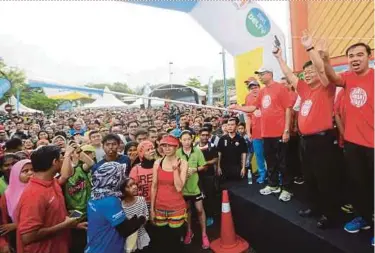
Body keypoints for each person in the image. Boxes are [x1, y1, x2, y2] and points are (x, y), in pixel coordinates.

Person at [321, 41, 374, 243]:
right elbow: (333, 78)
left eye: (359, 55)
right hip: (353, 144)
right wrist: (326, 60)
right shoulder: (348, 78)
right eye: (351, 56)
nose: (355, 59)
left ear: (368, 56)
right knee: (358, 185)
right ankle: (363, 217)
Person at [230, 66, 294, 202]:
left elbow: (288, 109)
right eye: (258, 75)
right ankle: (273, 185)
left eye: (261, 74)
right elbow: (253, 107)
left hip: (280, 132)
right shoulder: (262, 92)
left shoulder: (280, 88)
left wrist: (286, 130)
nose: (259, 77)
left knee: (283, 162)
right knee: (270, 161)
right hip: (266, 134)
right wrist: (238, 107)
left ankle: (287, 188)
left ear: (269, 74)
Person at [16, 145, 84, 253]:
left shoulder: (52, 182)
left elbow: (67, 174)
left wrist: (74, 225)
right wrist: (64, 225)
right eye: (61, 158)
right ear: (54, 162)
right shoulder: (34, 194)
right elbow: (28, 236)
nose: (65, 161)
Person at [86, 162, 146, 253]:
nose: (123, 178)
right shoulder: (110, 201)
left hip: (94, 247)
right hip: (108, 248)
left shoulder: (95, 195)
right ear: (113, 179)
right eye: (121, 175)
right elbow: (125, 230)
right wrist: (141, 218)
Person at [150, 135, 188, 253]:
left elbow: (179, 187)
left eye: (170, 146)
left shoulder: (183, 163)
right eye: (164, 145)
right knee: (162, 238)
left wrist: (175, 169)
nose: (167, 148)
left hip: (176, 208)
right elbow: (154, 186)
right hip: (160, 207)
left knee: (176, 239)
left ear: (176, 147)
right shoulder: (157, 163)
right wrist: (152, 209)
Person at [176, 131, 209, 249]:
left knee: (200, 210)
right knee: (187, 211)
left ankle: (204, 234)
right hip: (183, 188)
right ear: (180, 140)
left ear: (192, 139)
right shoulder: (177, 152)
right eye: (184, 139)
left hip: (195, 187)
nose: (186, 142)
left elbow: (204, 166)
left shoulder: (197, 151)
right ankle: (189, 232)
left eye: (188, 139)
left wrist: (195, 169)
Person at [0, 160, 33, 253]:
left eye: (33, 169)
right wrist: (3, 243)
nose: (30, 173)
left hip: (40, 234)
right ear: (15, 174)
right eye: (25, 171)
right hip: (17, 238)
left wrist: (16, 225)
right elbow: (3, 222)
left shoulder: (40, 189)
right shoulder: (7, 195)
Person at [243, 79, 267, 183]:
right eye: (251, 88)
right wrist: (248, 132)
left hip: (268, 131)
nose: (254, 89)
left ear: (259, 87)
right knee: (258, 155)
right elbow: (248, 117)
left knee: (271, 155)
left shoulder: (266, 94)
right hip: (256, 132)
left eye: (256, 87)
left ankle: (276, 175)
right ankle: (262, 174)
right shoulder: (248, 98)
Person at [196, 127, 218, 227]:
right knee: (200, 197)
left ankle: (209, 216)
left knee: (209, 196)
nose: (205, 137)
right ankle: (200, 215)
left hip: (209, 175)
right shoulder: (194, 146)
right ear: (199, 135)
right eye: (203, 135)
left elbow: (215, 159)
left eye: (207, 135)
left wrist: (204, 163)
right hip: (197, 176)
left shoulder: (212, 146)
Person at [121, 178, 150, 253]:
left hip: (142, 237)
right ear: (123, 191)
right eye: (130, 186)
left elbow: (146, 216)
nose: (134, 187)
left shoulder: (141, 200)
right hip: (129, 241)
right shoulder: (120, 206)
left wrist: (143, 219)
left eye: (134, 184)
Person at [217, 118, 247, 182]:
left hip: (236, 168)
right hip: (224, 168)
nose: (230, 126)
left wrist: (243, 168)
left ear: (236, 127)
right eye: (228, 125)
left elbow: (243, 154)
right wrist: (218, 167)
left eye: (232, 125)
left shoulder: (241, 139)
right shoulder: (222, 139)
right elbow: (219, 153)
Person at [129, 141, 156, 209]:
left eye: (152, 149)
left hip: (157, 202)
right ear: (141, 153)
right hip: (141, 204)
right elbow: (131, 188)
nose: (151, 151)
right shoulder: (136, 169)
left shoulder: (159, 166)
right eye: (148, 150)